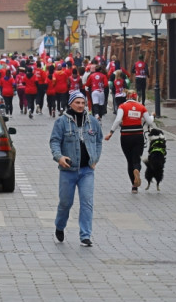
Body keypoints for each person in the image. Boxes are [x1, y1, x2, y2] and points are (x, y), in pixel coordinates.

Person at [50, 90, 103, 247]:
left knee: (87, 202)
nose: (80, 106)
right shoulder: (61, 122)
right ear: (70, 103)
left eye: (83, 103)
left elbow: (99, 141)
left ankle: (85, 235)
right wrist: (59, 157)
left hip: (87, 170)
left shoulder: (92, 122)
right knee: (66, 203)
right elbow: (54, 141)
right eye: (77, 102)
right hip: (68, 170)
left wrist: (95, 159)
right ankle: (60, 226)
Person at [105, 91, 154, 193]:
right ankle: (137, 170)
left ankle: (134, 186)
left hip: (126, 137)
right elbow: (149, 122)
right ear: (136, 98)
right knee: (136, 159)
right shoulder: (141, 107)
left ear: (127, 97)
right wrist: (152, 116)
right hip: (138, 136)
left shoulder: (122, 106)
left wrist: (111, 132)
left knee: (129, 160)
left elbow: (118, 120)